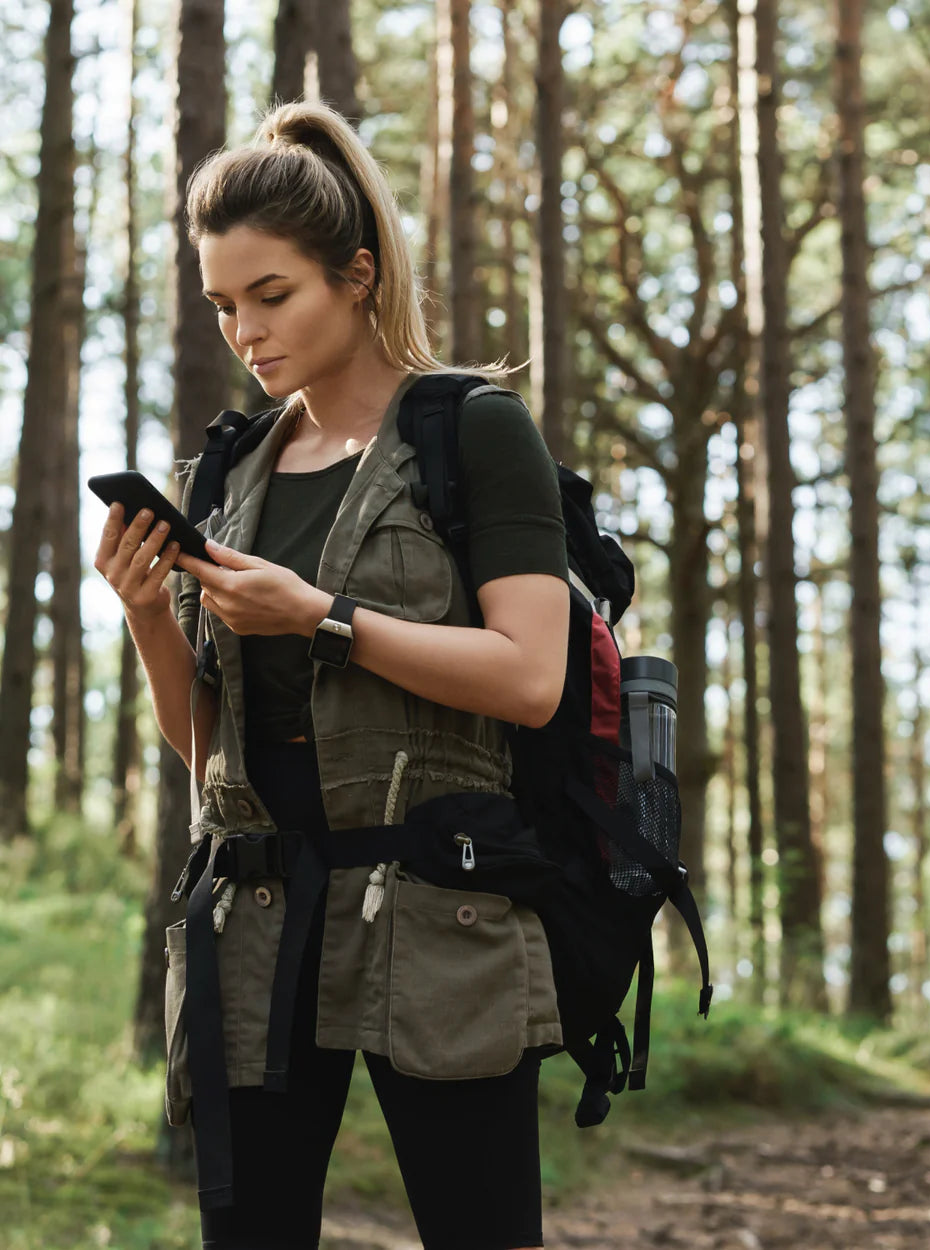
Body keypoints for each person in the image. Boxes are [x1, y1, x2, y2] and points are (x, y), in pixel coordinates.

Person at [93, 99, 569, 1250]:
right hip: (251, 923)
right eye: (221, 305)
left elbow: (530, 676)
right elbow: (210, 751)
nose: (244, 333)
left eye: (273, 296)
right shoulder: (229, 471)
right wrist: (153, 616)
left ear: (356, 275)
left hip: (438, 915)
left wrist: (323, 618)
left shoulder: (473, 431)